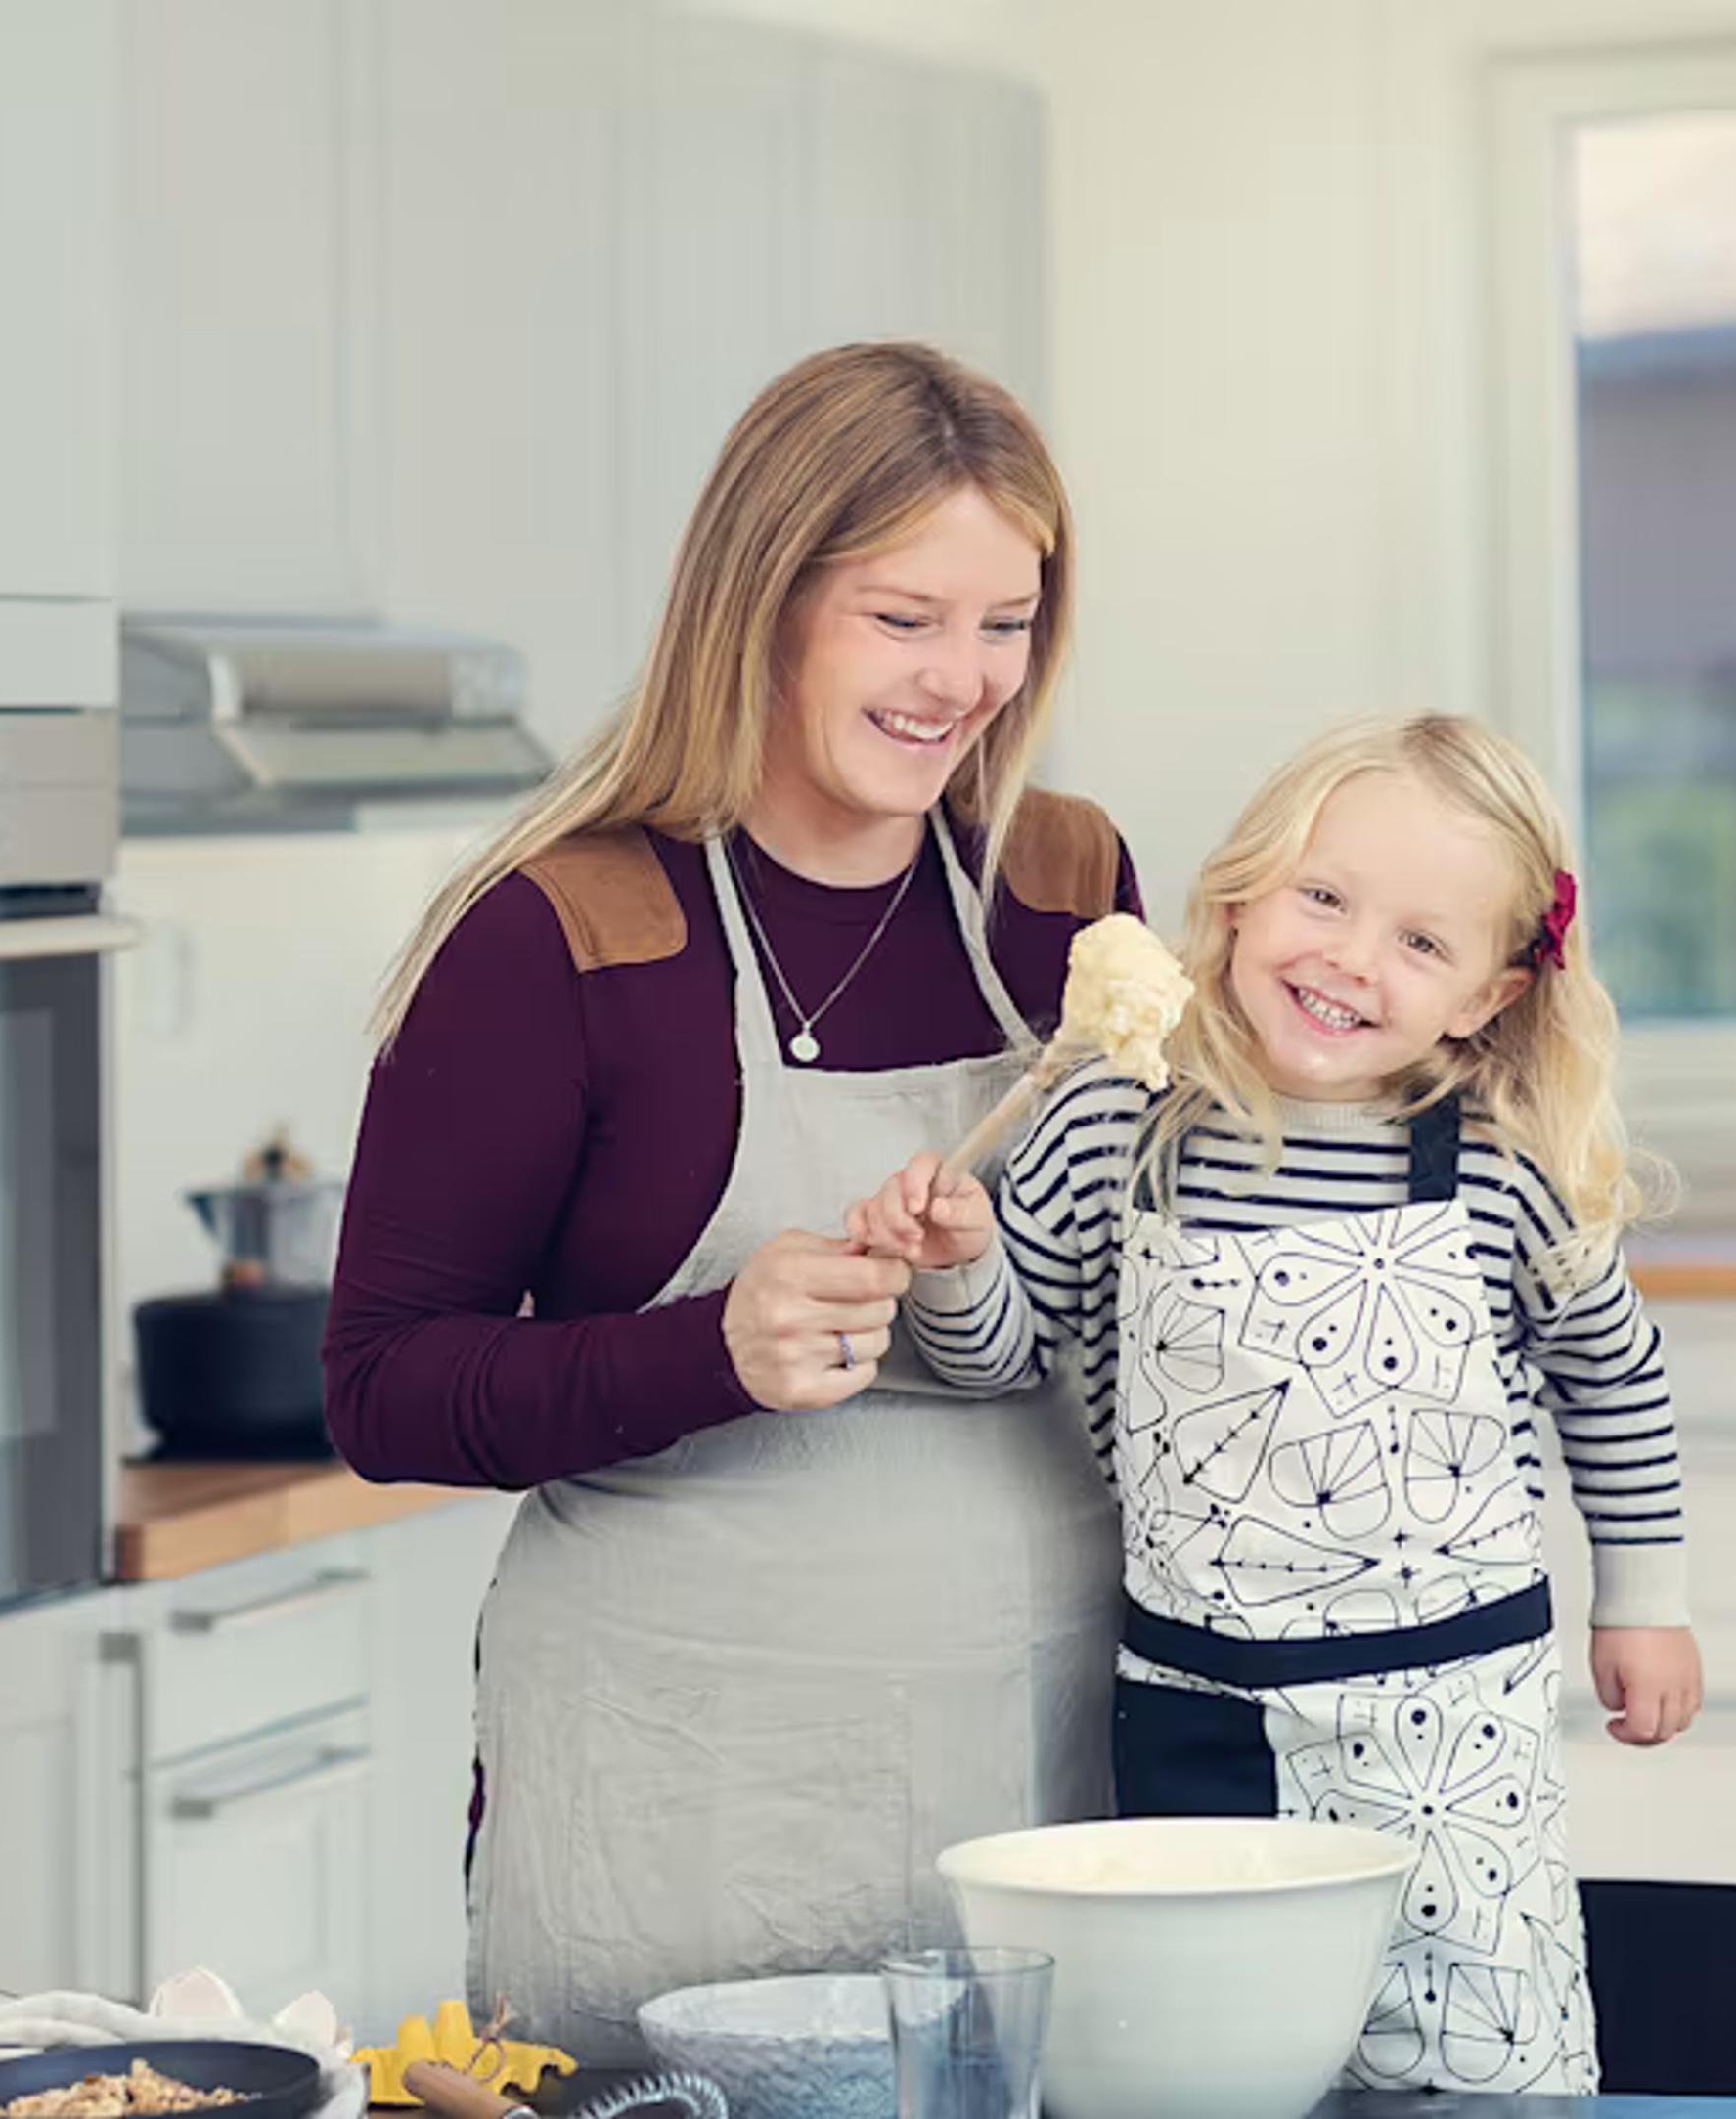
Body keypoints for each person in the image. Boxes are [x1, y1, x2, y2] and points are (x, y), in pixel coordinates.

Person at [323, 342, 1135, 2061]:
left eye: (1008, 622)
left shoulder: (1067, 887)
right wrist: (709, 1349)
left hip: (1040, 1754)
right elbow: (383, 1389)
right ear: (761, 599)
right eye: (904, 617)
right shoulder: (562, 933)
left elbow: (1133, 1298)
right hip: (683, 1789)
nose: (965, 679)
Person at [854, 712, 1704, 2095]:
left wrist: (1645, 1602)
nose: (1353, 960)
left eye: (1423, 943)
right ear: (1242, 895)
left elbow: (1615, 1380)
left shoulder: (1506, 1166)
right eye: (1325, 898)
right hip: (1201, 1705)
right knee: (1211, 2071)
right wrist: (954, 1266)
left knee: (1471, 2061)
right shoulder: (1111, 1121)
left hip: (1450, 1719)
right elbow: (1001, 1359)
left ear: (1486, 996)